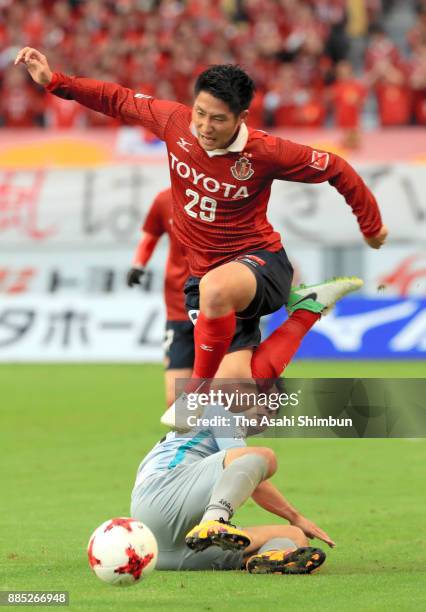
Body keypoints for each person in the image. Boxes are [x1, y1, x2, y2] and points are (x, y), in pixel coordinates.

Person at [15, 49, 387, 425]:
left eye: (218, 119)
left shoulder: (266, 152)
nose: (205, 126)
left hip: (261, 263)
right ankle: (307, 310)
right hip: (205, 282)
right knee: (244, 406)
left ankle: (194, 393)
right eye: (200, 113)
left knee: (216, 291)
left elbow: (336, 167)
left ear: (241, 118)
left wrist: (371, 225)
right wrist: (54, 81)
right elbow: (117, 99)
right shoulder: (175, 123)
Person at [128, 186, 364, 422]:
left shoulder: (228, 193)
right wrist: (138, 263)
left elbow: (257, 238)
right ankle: (306, 308)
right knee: (176, 401)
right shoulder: (164, 200)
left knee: (234, 396)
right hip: (179, 305)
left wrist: (279, 277)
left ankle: (218, 450)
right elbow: (150, 234)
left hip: (222, 298)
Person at [130, 405, 335, 573]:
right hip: (161, 494)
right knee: (265, 456)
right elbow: (248, 466)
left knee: (295, 536)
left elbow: (245, 474)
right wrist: (294, 514)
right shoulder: (219, 409)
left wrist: (295, 522)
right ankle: (213, 521)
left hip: (160, 552)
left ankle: (270, 558)